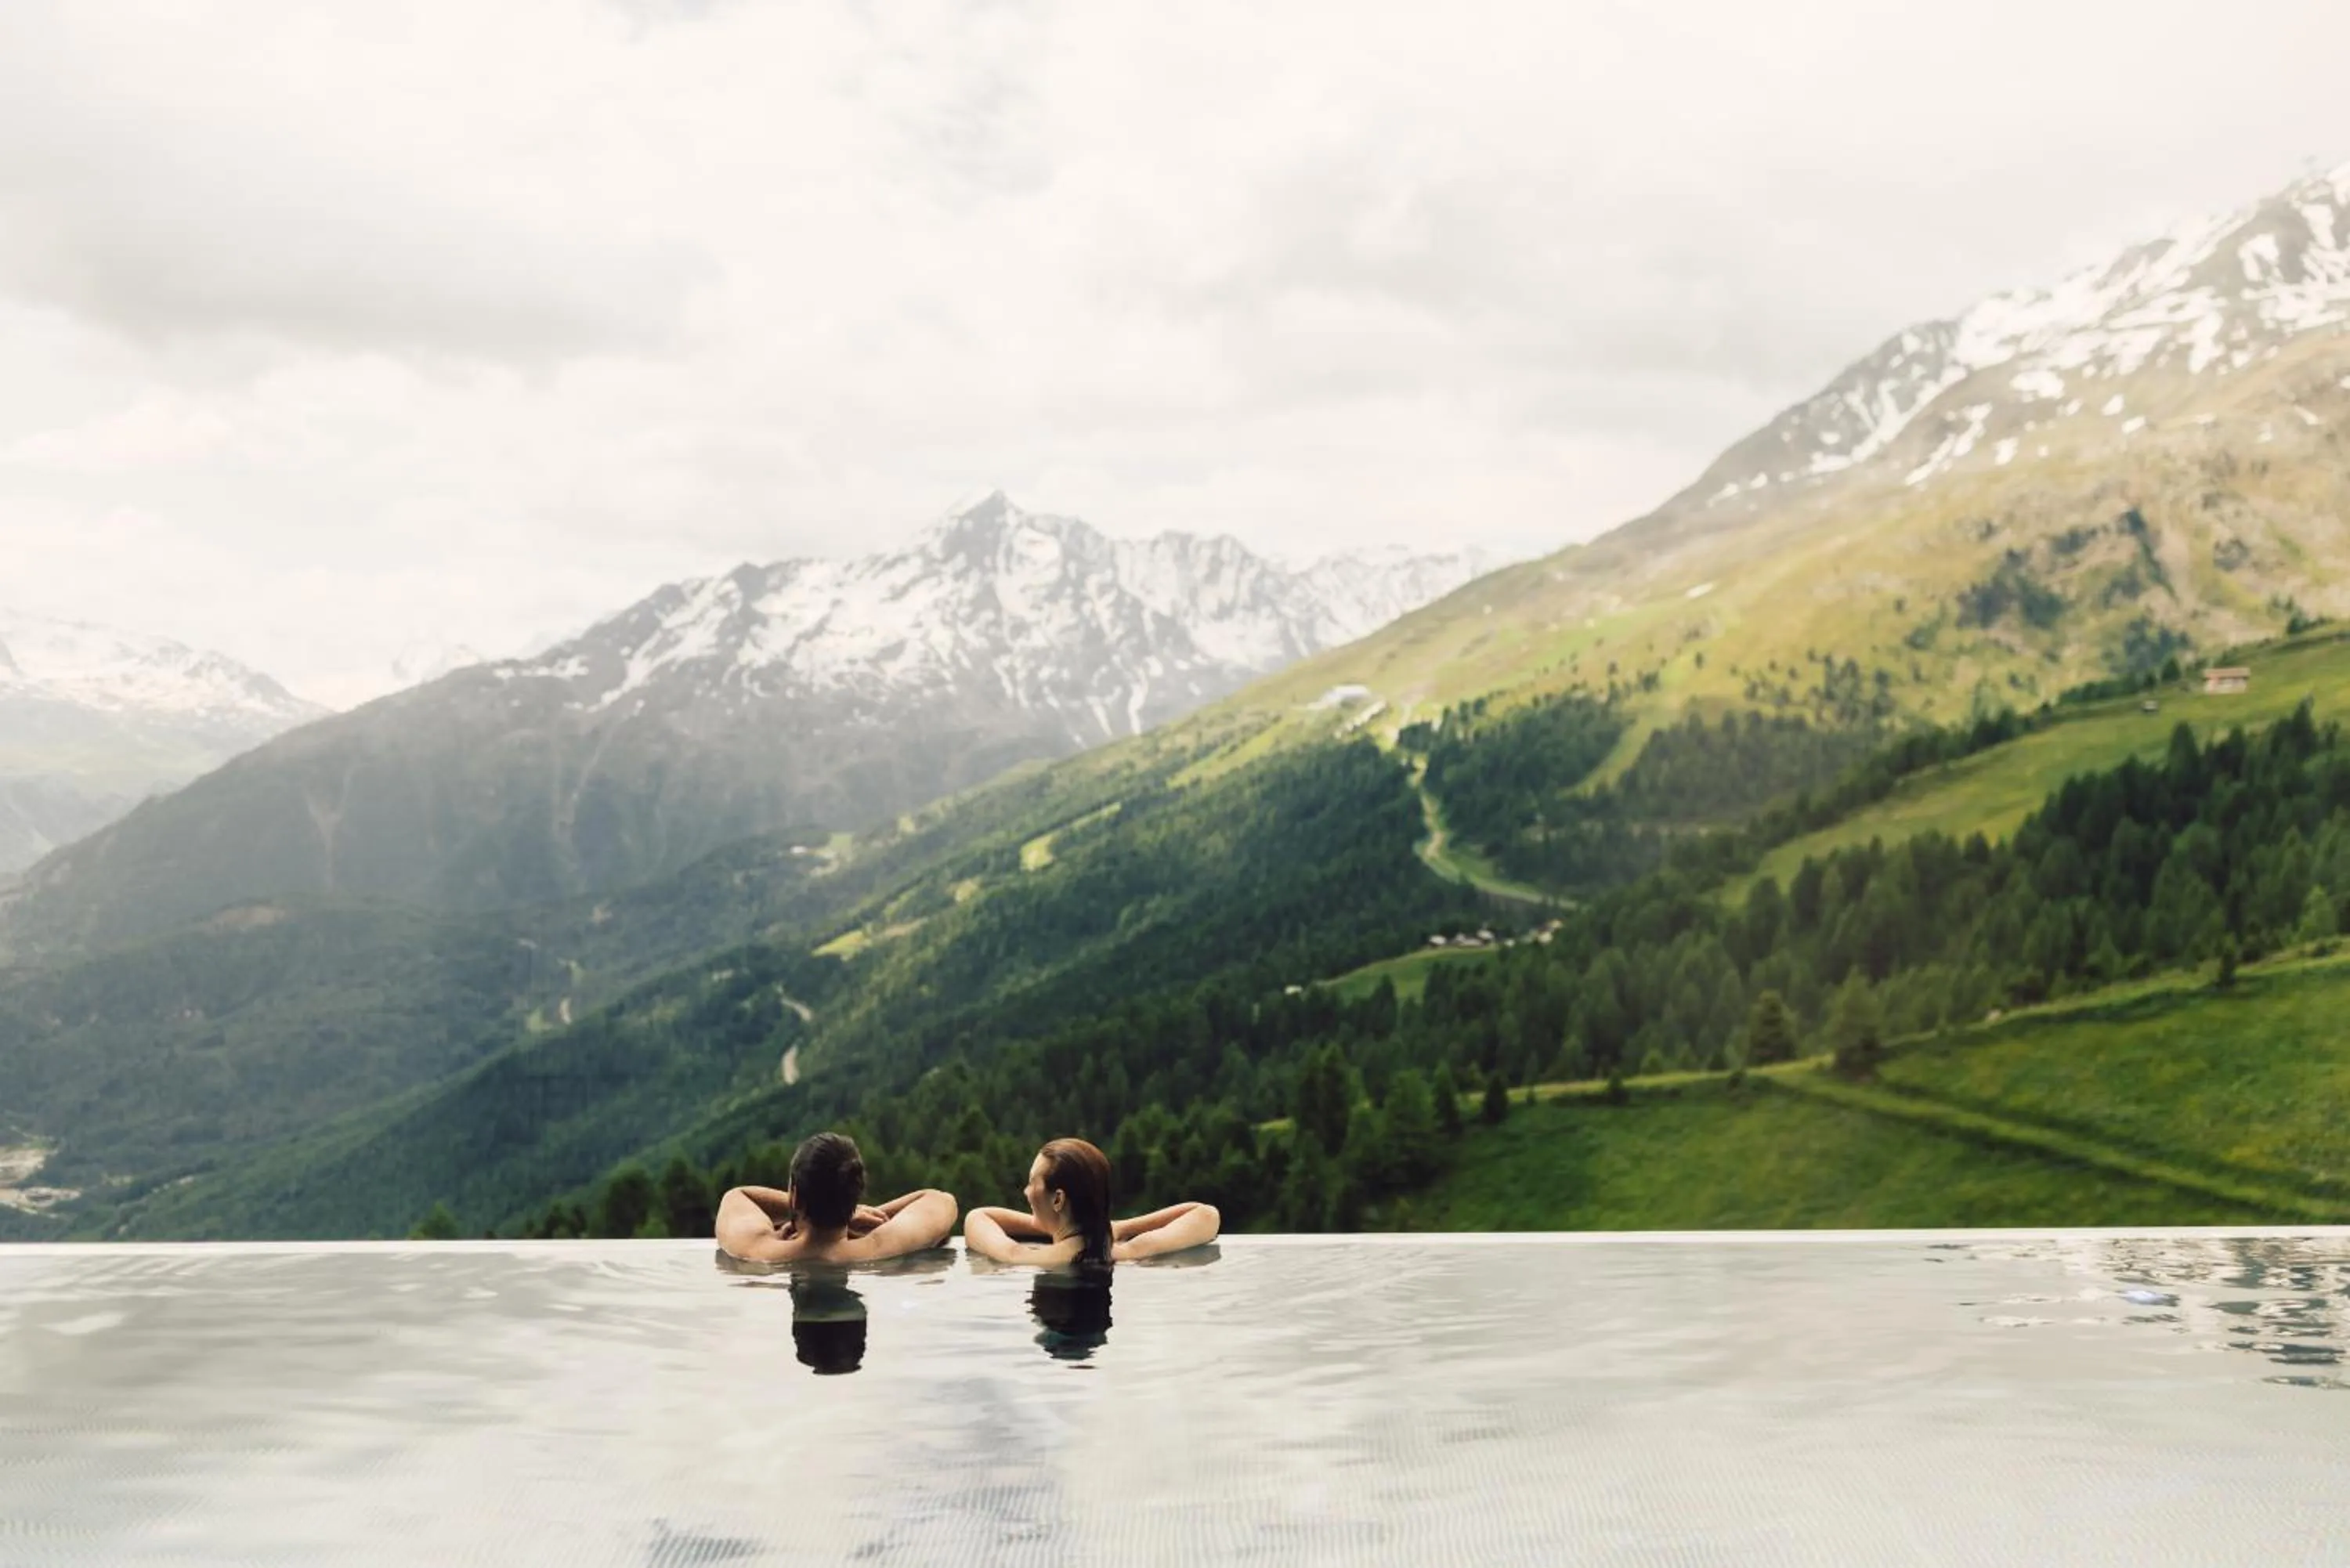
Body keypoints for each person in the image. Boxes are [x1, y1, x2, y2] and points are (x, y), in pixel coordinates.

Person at [962, 1136, 1220, 1266]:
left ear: (1058, 1200)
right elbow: (1206, 1214)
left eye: (1032, 1183)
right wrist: (1112, 1227)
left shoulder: (1026, 1258)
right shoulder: (1125, 1252)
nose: (1026, 1192)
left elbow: (978, 1217)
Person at [714, 1131, 957, 1264]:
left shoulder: (758, 1251)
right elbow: (941, 1200)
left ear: (796, 1196)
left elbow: (738, 1196)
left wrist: (807, 1205)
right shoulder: (879, 1248)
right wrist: (847, 1211)